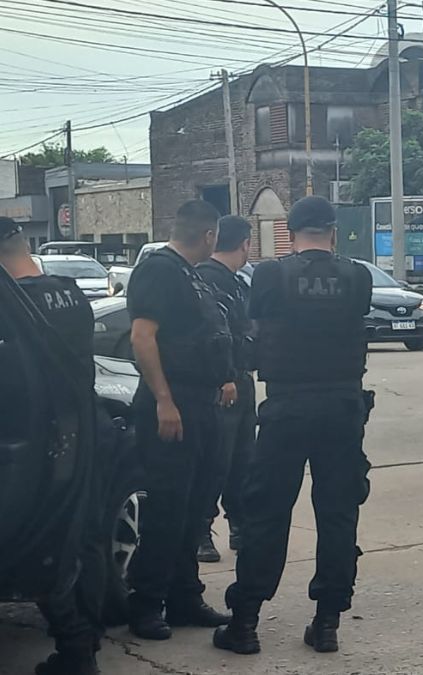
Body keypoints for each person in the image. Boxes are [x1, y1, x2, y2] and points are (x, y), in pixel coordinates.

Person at [215, 196, 374, 656]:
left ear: (289, 230)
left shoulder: (268, 275)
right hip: (343, 407)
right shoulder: (358, 275)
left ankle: (244, 623)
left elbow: (257, 326)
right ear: (333, 230)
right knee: (339, 513)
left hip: (287, 406)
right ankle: (327, 623)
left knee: (267, 513)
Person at [0, 217, 106, 675]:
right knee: (79, 539)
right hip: (79, 429)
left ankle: (78, 650)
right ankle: (84, 644)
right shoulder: (69, 292)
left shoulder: (11, 305)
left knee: (48, 547)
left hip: (32, 435)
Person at [124, 200, 234, 640]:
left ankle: (185, 599)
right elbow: (141, 337)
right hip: (172, 405)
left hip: (201, 403)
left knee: (194, 507)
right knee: (167, 509)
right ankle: (146, 605)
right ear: (209, 236)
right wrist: (164, 401)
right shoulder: (159, 269)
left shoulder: (191, 274)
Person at [195, 215, 256, 563]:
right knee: (217, 459)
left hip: (240, 380)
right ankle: (202, 530)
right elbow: (213, 336)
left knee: (242, 459)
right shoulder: (209, 280)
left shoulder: (235, 282)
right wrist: (226, 377)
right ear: (245, 243)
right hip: (224, 383)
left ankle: (239, 525)